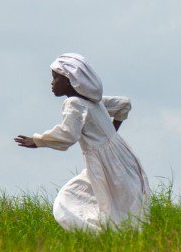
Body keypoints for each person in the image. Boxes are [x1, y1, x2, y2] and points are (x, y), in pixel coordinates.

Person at [14, 53, 151, 231]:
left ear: (70, 81)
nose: (52, 83)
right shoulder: (96, 103)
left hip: (104, 162)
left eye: (56, 78)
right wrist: (109, 136)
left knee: (67, 200)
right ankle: (114, 236)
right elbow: (124, 104)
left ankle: (102, 236)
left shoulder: (74, 103)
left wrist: (37, 140)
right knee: (119, 203)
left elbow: (68, 134)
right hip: (122, 156)